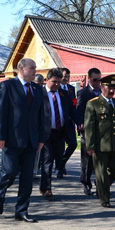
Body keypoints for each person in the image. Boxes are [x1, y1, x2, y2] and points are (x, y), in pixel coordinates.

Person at [0, 58, 45, 223]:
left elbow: (41, 115)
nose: (35, 70)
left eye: (35, 68)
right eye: (32, 68)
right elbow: (1, 112)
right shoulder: (8, 86)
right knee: (10, 172)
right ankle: (0, 193)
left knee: (27, 178)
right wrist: (0, 136)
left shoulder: (37, 89)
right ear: (21, 68)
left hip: (31, 140)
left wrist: (41, 138)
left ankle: (21, 210)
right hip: (12, 139)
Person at [84, 74, 115, 208]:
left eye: (113, 87)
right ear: (102, 87)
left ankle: (101, 186)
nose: (111, 90)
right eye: (108, 87)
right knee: (102, 172)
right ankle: (105, 199)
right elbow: (89, 126)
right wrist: (90, 145)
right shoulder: (93, 103)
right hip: (100, 145)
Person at [40, 68, 78, 198]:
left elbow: (72, 110)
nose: (57, 84)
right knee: (48, 159)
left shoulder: (63, 93)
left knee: (69, 146)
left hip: (60, 130)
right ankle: (46, 188)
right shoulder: (40, 94)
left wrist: (80, 122)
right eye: (54, 82)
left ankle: (60, 165)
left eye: (58, 82)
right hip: (45, 132)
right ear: (47, 80)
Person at [76, 68, 102, 195]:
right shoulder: (83, 93)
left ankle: (100, 185)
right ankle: (86, 183)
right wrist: (81, 124)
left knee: (101, 160)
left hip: (101, 131)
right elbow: (79, 110)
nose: (97, 82)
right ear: (89, 79)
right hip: (88, 130)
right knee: (87, 159)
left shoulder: (103, 92)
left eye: (99, 80)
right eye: (95, 80)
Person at [58, 67, 77, 177]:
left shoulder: (71, 89)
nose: (66, 79)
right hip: (59, 121)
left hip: (69, 121)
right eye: (64, 76)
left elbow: (73, 105)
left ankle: (62, 162)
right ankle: (59, 168)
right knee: (60, 146)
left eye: (68, 77)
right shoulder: (56, 88)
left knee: (73, 144)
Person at [32, 74, 45, 179]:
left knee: (38, 151)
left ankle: (34, 172)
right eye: (38, 84)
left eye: (42, 84)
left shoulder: (43, 92)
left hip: (40, 126)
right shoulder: (31, 91)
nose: (40, 86)